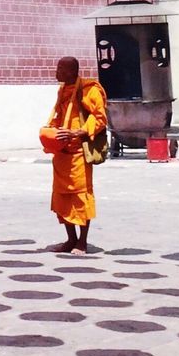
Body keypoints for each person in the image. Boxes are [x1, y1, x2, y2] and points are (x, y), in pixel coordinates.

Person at [39, 56, 107, 254]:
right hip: (62, 153)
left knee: (80, 196)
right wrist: (50, 132)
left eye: (60, 68)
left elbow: (100, 118)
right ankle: (70, 239)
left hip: (79, 153)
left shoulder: (89, 90)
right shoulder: (62, 90)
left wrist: (76, 132)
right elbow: (60, 116)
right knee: (62, 197)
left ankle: (82, 242)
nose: (56, 72)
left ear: (71, 71)